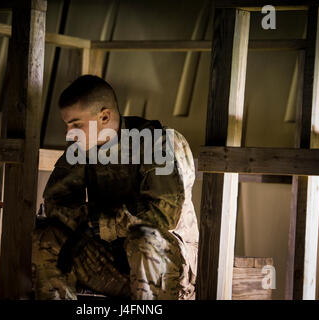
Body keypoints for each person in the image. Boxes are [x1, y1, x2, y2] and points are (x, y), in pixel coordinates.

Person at [32, 75, 199, 300]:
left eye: (76, 124)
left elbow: (163, 213)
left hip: (164, 268)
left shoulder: (158, 142)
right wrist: (89, 224)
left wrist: (102, 224)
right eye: (67, 124)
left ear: (104, 116)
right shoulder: (82, 148)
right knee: (45, 236)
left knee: (145, 239)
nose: (68, 133)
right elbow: (56, 200)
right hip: (111, 262)